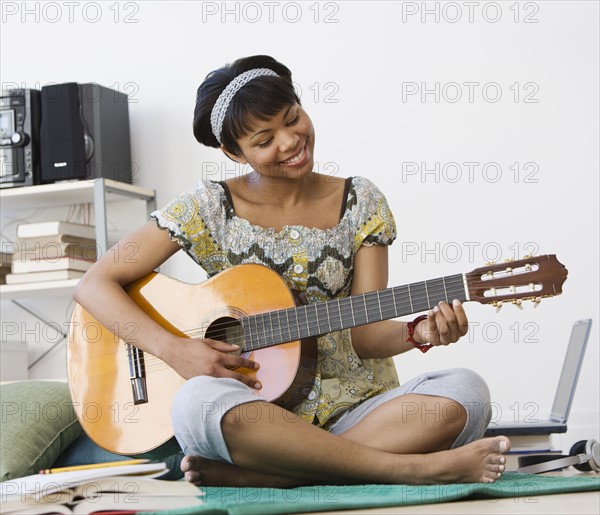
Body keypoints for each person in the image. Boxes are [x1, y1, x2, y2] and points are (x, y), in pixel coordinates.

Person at [73, 54, 510, 487]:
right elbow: (95, 284)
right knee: (197, 402)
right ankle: (408, 470)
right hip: (258, 420)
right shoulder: (205, 208)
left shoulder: (361, 202)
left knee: (466, 391)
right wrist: (174, 350)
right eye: (264, 140)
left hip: (358, 412)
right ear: (233, 152)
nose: (289, 142)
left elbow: (367, 335)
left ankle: (282, 476)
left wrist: (419, 333)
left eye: (292, 118)